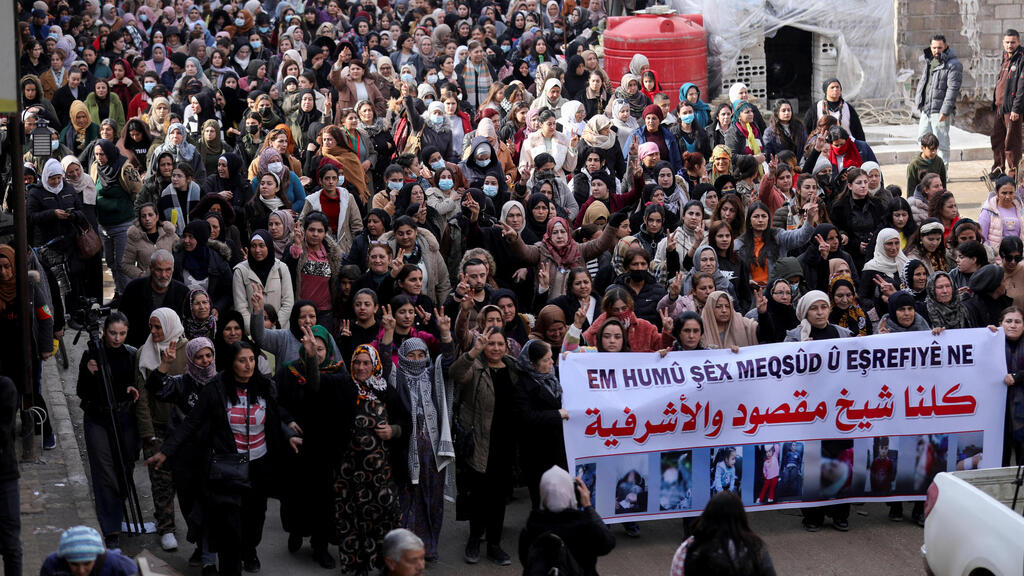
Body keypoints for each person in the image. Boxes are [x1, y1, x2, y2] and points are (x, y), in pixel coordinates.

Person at [147, 342, 299, 576]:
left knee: (254, 523)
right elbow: (191, 422)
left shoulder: (265, 386)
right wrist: (166, 451)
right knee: (229, 532)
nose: (248, 365)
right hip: (228, 469)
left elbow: (274, 417)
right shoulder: (215, 389)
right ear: (231, 362)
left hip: (258, 468)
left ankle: (249, 550)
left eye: (251, 359)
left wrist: (288, 434)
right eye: (242, 360)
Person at [276, 324, 357, 569]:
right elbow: (274, 402)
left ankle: (320, 547)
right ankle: (296, 532)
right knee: (296, 497)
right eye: (313, 349)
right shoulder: (288, 373)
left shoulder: (339, 374)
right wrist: (288, 425)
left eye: (321, 349)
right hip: (297, 447)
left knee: (323, 500)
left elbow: (336, 402)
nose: (318, 353)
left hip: (326, 449)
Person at [76, 312, 142, 549]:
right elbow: (81, 392)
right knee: (104, 470)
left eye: (122, 333)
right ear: (104, 331)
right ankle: (111, 527)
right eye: (113, 333)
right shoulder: (91, 354)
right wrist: (88, 372)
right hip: (97, 417)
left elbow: (136, 384)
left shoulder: (131, 354)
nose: (117, 338)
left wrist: (132, 389)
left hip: (124, 416)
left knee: (125, 465)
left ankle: (116, 507)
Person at [335, 344, 402, 575]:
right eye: (357, 362)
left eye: (366, 363)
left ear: (375, 365)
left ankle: (386, 563)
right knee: (352, 517)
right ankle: (357, 564)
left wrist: (393, 430)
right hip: (349, 470)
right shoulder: (344, 388)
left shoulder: (386, 391)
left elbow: (406, 421)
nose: (361, 367)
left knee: (385, 515)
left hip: (381, 470)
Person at [518, 466, 615, 576]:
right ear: (571, 492)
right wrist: (588, 506)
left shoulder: (531, 528)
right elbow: (607, 544)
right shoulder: (584, 526)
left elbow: (526, 560)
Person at [669, 492, 776, 576]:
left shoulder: (686, 549)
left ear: (707, 513)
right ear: (741, 516)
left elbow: (676, 572)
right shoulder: (755, 548)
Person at [120, 250, 189, 347]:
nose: (163, 275)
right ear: (151, 268)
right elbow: (122, 321)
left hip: (172, 349)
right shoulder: (134, 289)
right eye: (159, 270)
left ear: (173, 269)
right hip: (138, 347)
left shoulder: (183, 292)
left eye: (168, 270)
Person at [990, 29, 1024, 180]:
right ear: (1003, 43)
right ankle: (998, 168)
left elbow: (1022, 87)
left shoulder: (1021, 59)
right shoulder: (1005, 58)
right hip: (999, 107)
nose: (1010, 45)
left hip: (1012, 109)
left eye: (1013, 42)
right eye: (1007, 42)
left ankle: (1014, 173)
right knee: (997, 139)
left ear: (1019, 42)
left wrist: (1016, 108)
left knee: (1012, 142)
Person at [39, 526, 137, 576]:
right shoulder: (52, 565)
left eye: (87, 563)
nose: (81, 571)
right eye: (74, 564)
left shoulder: (117, 564)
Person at [122, 203, 179, 280]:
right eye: (143, 216)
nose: (147, 219)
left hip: (168, 281)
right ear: (140, 219)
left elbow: (182, 249)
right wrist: (141, 275)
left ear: (157, 217)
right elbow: (126, 264)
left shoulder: (168, 233)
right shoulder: (134, 238)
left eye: (150, 215)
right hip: (147, 284)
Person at [998, 307, 1024, 466]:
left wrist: (1017, 377)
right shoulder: (991, 342)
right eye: (1008, 321)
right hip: (998, 415)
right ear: (1000, 324)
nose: (1013, 325)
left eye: (1017, 321)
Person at [980, 175, 1023, 249]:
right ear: (997, 193)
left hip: (1019, 258)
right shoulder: (988, 211)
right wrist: (992, 255)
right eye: (1004, 193)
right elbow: (982, 237)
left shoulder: (1021, 210)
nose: (1008, 197)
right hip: (996, 258)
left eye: (1011, 193)